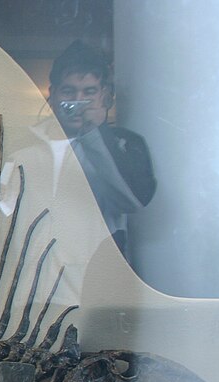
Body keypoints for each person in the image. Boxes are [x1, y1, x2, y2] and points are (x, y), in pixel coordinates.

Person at [45, 40, 157, 261]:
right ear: (53, 94)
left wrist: (95, 134)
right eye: (69, 91)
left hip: (98, 275)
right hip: (35, 277)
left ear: (104, 96)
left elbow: (133, 200)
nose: (78, 102)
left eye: (89, 92)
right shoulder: (24, 146)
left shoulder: (124, 144)